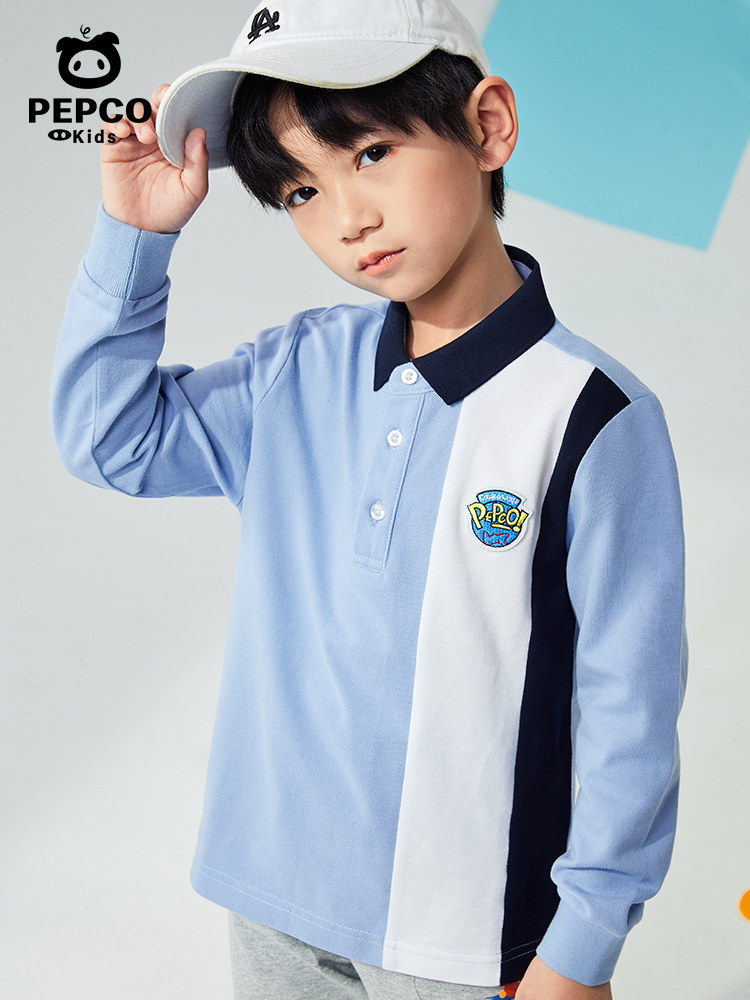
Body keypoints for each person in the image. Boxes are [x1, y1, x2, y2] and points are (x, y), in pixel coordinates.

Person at [50, 1, 687, 998]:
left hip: (465, 934)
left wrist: (582, 942)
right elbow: (107, 438)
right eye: (302, 189)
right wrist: (134, 239)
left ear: (488, 127)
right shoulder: (298, 368)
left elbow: (630, 706)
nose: (347, 218)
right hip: (271, 897)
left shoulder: (595, 414)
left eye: (373, 152)